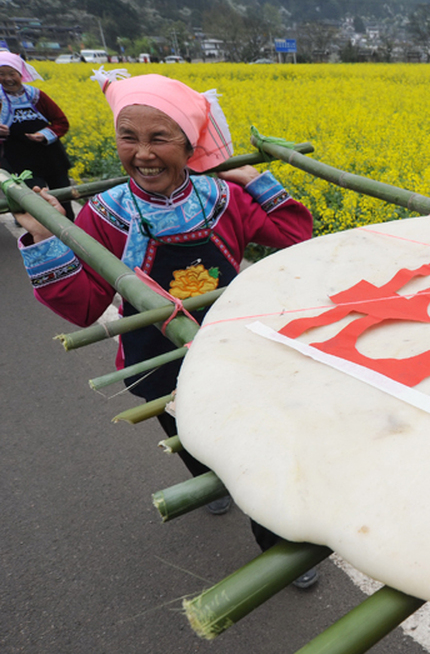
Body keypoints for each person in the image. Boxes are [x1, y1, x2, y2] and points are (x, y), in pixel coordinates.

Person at [13, 69, 319, 587]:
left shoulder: (223, 197)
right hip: (155, 359)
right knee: (188, 437)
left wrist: (257, 181)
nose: (143, 153)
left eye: (160, 137)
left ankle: (277, 549)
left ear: (188, 141)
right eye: (128, 138)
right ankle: (205, 482)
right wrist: (45, 237)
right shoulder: (106, 215)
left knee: (251, 451)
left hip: (233, 351)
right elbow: (85, 308)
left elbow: (295, 237)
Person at [0, 51, 74, 218]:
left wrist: (43, 135)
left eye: (12, 73)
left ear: (20, 74)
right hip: (19, 162)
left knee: (64, 199)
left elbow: (61, 122)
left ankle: (73, 237)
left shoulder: (36, 95)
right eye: (1, 74)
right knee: (36, 203)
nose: (7, 78)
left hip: (51, 157)